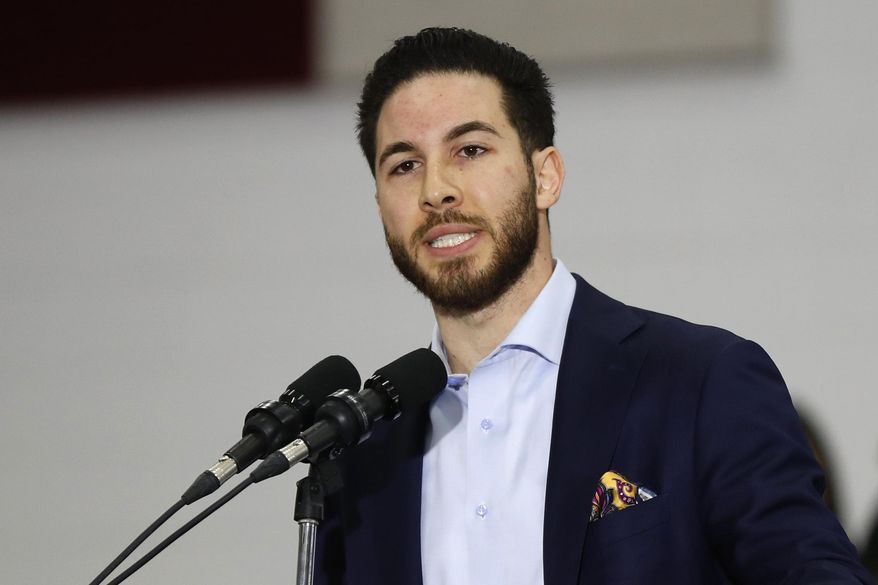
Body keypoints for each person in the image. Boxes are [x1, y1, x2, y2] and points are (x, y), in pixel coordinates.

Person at [314, 27, 872, 584]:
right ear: (381, 202)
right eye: (404, 165)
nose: (436, 190)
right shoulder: (365, 457)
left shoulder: (701, 382)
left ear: (546, 177)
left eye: (471, 150)